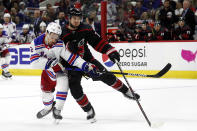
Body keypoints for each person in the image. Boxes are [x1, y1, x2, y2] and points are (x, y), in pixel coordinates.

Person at [60, 8, 140, 123]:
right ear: (69, 18)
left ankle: (126, 91)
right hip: (71, 65)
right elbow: (57, 51)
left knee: (106, 75)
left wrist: (110, 51)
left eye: (79, 18)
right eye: (74, 18)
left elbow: (97, 42)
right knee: (75, 89)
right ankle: (89, 110)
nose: (77, 21)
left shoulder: (85, 28)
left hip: (87, 60)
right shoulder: (62, 32)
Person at [30, 22, 97, 122]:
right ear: (47, 32)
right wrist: (50, 62)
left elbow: (71, 58)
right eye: (52, 36)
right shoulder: (36, 43)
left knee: (64, 87)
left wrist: (85, 65)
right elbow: (34, 63)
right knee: (46, 98)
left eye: (56, 37)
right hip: (47, 72)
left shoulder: (60, 44)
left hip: (59, 70)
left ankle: (57, 110)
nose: (54, 39)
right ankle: (48, 108)